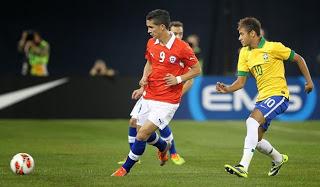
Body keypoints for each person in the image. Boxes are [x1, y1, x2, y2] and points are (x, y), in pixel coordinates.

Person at [216, 17, 314, 178]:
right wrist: (227, 89)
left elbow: (299, 59)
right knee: (258, 140)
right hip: (263, 98)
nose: (239, 38)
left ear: (252, 33)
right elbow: (240, 82)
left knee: (251, 121)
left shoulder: (274, 47)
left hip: (279, 95)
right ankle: (278, 158)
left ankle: (243, 166)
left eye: (241, 34)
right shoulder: (244, 54)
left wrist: (309, 82)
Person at [111, 9, 201, 176]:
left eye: (151, 27)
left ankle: (125, 169)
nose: (148, 30)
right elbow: (150, 64)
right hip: (149, 95)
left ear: (161, 27)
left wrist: (178, 80)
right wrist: (143, 81)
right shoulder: (151, 43)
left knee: (143, 134)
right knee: (139, 130)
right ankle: (162, 146)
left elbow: (197, 70)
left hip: (167, 101)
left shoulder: (182, 47)